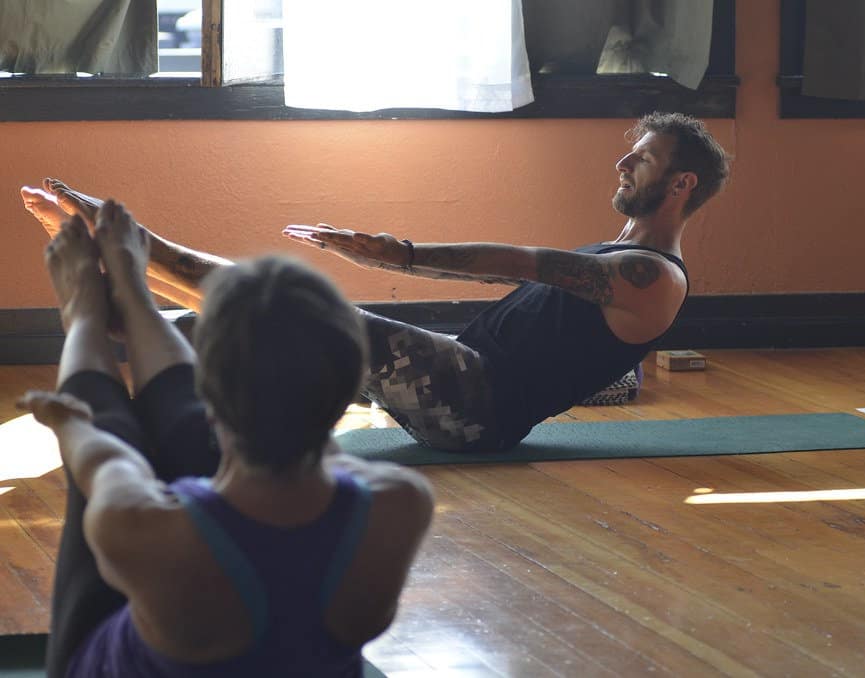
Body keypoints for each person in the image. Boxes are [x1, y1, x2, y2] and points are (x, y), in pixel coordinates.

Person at [21, 112, 730, 452]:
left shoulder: (652, 279)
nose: (622, 165)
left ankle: (128, 246)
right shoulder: (619, 253)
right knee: (205, 327)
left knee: (297, 306)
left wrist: (401, 254)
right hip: (458, 369)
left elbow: (520, 260)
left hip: (474, 406)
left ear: (681, 184)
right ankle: (119, 299)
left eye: (642, 159)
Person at [18, 200, 434, 678]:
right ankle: (136, 300)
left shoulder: (142, 527)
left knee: (105, 424)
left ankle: (85, 312)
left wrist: (68, 421)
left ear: (205, 389)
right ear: (348, 392)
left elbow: (106, 460)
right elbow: (291, 426)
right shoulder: (401, 504)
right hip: (239, 524)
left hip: (136, 615)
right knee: (257, 434)